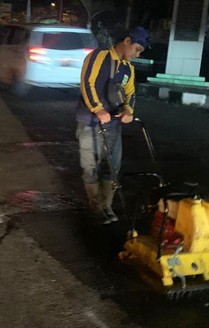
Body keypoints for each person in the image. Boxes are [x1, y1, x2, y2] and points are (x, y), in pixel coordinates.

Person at [76, 26, 149, 224]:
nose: (137, 54)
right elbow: (87, 82)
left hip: (113, 124)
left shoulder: (128, 68)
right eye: (136, 49)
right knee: (90, 167)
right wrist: (98, 109)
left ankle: (106, 205)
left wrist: (128, 111)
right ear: (126, 41)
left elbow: (131, 93)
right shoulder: (99, 56)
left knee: (112, 166)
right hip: (90, 122)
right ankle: (95, 207)